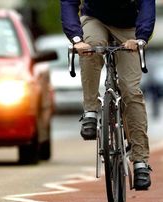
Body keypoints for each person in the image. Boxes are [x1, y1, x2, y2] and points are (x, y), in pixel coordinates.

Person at [60, 0, 155, 190]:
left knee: (130, 90)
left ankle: (140, 162)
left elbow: (147, 4)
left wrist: (141, 38)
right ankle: (90, 111)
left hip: (129, 26)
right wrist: (77, 39)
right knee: (91, 47)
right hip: (96, 20)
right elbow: (69, 3)